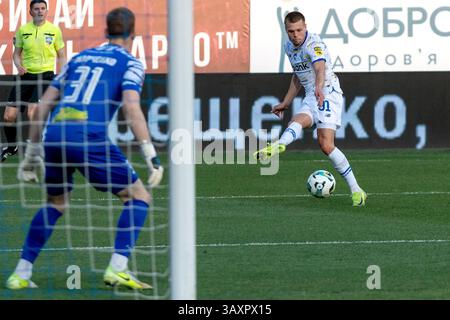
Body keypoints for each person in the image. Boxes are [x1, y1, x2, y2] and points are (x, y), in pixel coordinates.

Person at [6, 7, 164, 290]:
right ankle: (118, 267)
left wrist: (31, 155)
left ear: (105, 32)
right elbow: (130, 106)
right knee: (138, 196)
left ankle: (21, 273)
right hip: (88, 136)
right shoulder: (131, 63)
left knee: (56, 203)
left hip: (54, 134)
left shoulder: (79, 58)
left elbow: (42, 107)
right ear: (134, 34)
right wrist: (150, 154)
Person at [254, 11, 367, 206]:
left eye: (299, 30)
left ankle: (356, 190)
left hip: (327, 93)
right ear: (286, 31)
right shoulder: (289, 47)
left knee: (325, 145)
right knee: (297, 120)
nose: (295, 34)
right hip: (310, 95)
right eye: (291, 31)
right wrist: (286, 102)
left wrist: (318, 87)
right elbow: (297, 76)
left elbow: (320, 68)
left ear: (305, 27)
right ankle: (280, 144)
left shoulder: (313, 44)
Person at [1, 0, 66, 162]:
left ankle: (38, 150)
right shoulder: (23, 30)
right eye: (36, 9)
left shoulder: (54, 30)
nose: (40, 11)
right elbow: (16, 54)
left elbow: (62, 55)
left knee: (32, 113)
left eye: (43, 8)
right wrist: (18, 65)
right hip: (25, 77)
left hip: (45, 76)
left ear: (46, 11)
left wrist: (62, 74)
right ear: (30, 12)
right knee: (9, 116)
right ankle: (11, 147)